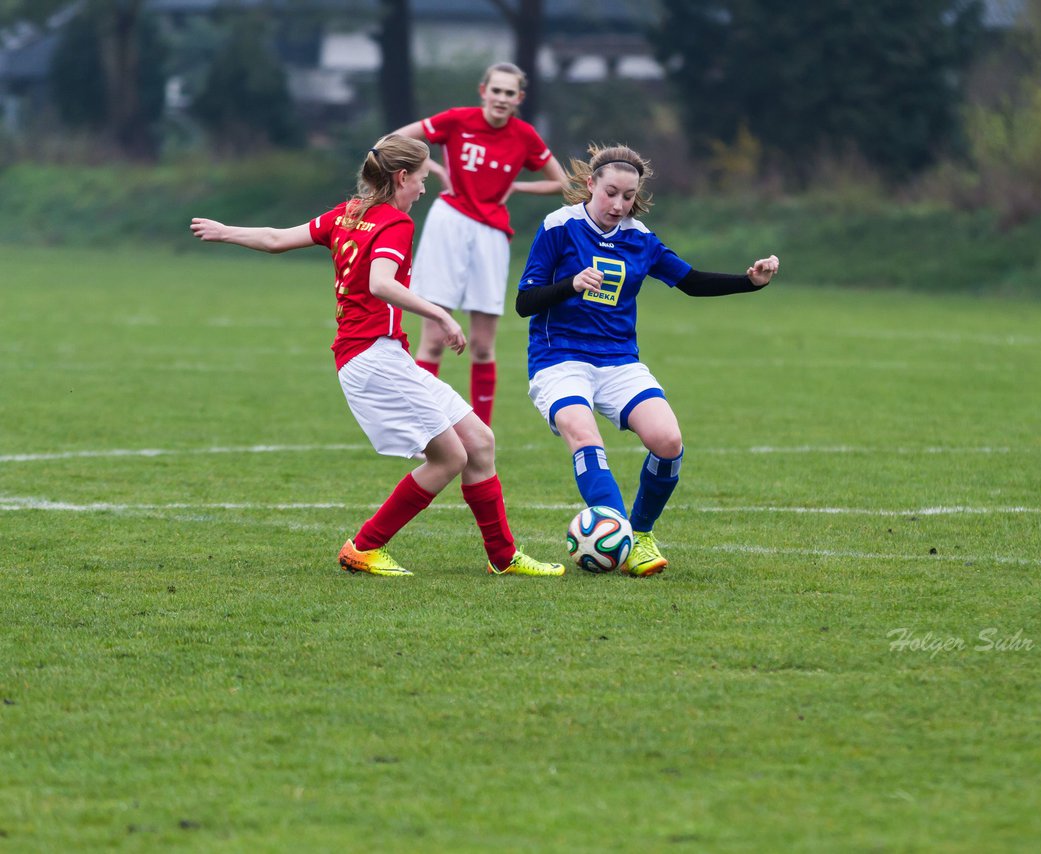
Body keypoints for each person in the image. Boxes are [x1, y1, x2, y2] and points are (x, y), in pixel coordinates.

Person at [189, 134, 564, 579]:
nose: (425, 189)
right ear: (401, 177)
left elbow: (275, 238)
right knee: (449, 458)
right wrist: (441, 315)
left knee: (480, 442)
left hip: (384, 355)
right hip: (370, 358)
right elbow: (381, 283)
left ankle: (503, 557)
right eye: (422, 179)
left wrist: (223, 231)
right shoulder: (394, 223)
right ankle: (365, 546)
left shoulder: (347, 214)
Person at [515, 144, 780, 577]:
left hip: (618, 360)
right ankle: (614, 529)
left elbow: (691, 282)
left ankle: (637, 535)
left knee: (668, 442)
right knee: (583, 435)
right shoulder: (558, 227)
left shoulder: (640, 240)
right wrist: (571, 284)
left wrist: (750, 283)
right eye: (611, 193)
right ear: (590, 185)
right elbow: (526, 302)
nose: (619, 205)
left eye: (628, 196)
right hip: (559, 359)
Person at [391, 62, 569, 427]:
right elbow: (393, 142)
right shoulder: (457, 120)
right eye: (496, 90)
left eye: (510, 93)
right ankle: (430, 431)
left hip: (492, 235)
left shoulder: (525, 136)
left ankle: (481, 435)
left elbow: (563, 183)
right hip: (449, 224)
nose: (501, 99)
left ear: (519, 98)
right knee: (434, 340)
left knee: (483, 345)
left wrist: (518, 186)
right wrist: (435, 169)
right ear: (483, 90)